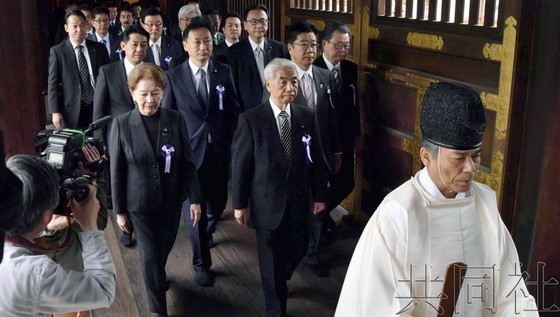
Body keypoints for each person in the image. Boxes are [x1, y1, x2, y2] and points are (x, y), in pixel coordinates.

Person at [335, 82, 538, 316]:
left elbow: (511, 293)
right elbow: (379, 305)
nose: (471, 168)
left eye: (476, 156)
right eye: (459, 158)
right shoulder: (399, 213)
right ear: (426, 156)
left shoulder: (484, 205)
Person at [231, 58, 329, 317]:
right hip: (266, 203)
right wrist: (239, 204)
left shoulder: (306, 116)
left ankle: (281, 277)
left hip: (299, 200)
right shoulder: (251, 119)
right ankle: (276, 308)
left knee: (299, 247)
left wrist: (319, 195)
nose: (290, 87)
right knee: (270, 262)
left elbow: (317, 158)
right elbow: (241, 166)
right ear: (269, 84)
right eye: (283, 81)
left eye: (294, 81)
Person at [110, 63, 202, 317]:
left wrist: (195, 198)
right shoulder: (122, 124)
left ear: (163, 92)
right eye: (144, 94)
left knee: (162, 249)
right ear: (133, 94)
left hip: (171, 200)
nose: (150, 100)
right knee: (149, 256)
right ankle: (158, 308)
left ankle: (157, 276)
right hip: (139, 203)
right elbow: (116, 171)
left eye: (155, 93)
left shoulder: (175, 119)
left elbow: (187, 163)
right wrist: (119, 211)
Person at [162, 16, 240, 286]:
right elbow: (168, 119)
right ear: (185, 45)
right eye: (197, 42)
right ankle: (201, 263)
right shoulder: (173, 76)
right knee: (193, 208)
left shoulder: (223, 71)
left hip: (218, 152)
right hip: (187, 155)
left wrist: (233, 144)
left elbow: (234, 111)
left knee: (216, 204)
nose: (203, 46)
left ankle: (207, 230)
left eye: (207, 40)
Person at [0, 154, 116, 316]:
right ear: (47, 213)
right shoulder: (36, 275)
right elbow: (104, 290)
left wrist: (47, 227)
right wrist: (90, 227)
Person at [285, 21, 342, 278]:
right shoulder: (280, 77)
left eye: (314, 45)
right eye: (304, 45)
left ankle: (313, 254)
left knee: (319, 203)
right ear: (290, 48)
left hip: (320, 154)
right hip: (292, 156)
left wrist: (337, 151)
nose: (310, 50)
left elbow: (332, 116)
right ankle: (293, 251)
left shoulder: (323, 75)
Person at [313, 21, 361, 235]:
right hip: (322, 139)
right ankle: (318, 226)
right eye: (338, 45)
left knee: (346, 183)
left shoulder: (351, 69)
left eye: (347, 45)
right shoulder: (313, 68)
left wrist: (357, 135)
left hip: (346, 137)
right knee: (322, 186)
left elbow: (355, 105)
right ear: (324, 44)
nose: (343, 50)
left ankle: (319, 217)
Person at [48, 9, 110, 130]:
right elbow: (53, 83)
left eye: (82, 25)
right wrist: (55, 111)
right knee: (78, 144)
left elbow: (109, 76)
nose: (79, 30)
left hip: (98, 103)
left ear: (87, 25)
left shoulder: (99, 48)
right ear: (66, 28)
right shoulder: (58, 51)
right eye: (74, 26)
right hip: (73, 108)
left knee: (99, 141)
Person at [227, 4, 286, 111]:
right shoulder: (234, 52)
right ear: (245, 25)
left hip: (275, 109)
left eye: (263, 21)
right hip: (247, 111)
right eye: (254, 22)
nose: (259, 26)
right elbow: (232, 88)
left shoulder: (277, 47)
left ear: (267, 24)